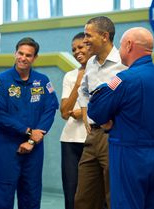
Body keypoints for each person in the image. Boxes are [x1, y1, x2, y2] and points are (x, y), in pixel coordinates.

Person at [87, 27, 154, 209]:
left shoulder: (125, 79)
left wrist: (109, 121)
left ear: (129, 45)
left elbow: (95, 109)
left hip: (129, 155)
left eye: (121, 45)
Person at [0, 37, 59, 209]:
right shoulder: (0, 81)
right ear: (15, 53)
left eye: (28, 55)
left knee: (31, 194)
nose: (23, 58)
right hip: (6, 148)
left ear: (35, 58)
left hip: (33, 149)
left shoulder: (42, 81)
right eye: (20, 53)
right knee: (1, 195)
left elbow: (50, 109)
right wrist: (28, 131)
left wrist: (33, 139)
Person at [74, 16, 127, 209]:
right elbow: (84, 90)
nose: (84, 39)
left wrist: (121, 121)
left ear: (104, 36)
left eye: (89, 35)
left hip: (114, 137)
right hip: (92, 137)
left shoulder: (125, 61)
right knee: (83, 199)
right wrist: (85, 110)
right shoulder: (91, 63)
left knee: (114, 197)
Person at [60, 32, 92, 209]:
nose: (77, 52)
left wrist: (84, 111)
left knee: (96, 193)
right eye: (73, 49)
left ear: (90, 46)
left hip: (93, 140)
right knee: (71, 192)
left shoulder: (105, 72)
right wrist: (79, 82)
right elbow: (65, 112)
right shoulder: (70, 76)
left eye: (80, 47)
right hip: (70, 141)